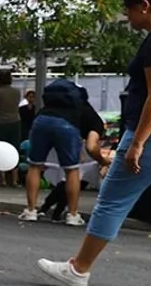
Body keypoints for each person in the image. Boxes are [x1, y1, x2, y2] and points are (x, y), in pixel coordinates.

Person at [37, 0, 151, 286]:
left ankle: (78, 269)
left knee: (112, 200)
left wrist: (137, 142)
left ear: (145, 6)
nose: (127, 16)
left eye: (128, 8)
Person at [18, 79, 96, 227]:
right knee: (72, 170)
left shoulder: (48, 104)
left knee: (34, 166)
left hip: (41, 122)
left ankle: (30, 211)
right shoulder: (79, 104)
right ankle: (72, 214)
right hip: (67, 126)